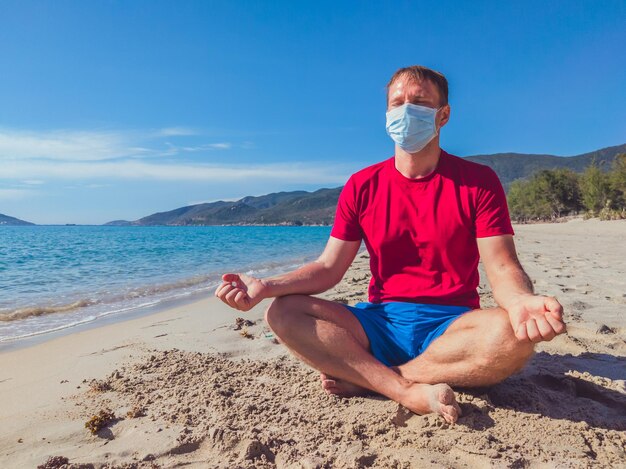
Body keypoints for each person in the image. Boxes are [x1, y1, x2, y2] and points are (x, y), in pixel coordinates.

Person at [215, 65, 566, 424]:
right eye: (397, 103)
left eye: (419, 102)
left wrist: (521, 301)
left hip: (453, 326)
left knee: (513, 334)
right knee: (282, 312)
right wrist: (267, 287)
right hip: (378, 321)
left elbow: (503, 265)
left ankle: (378, 378)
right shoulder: (362, 185)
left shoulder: (478, 182)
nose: (405, 111)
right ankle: (404, 389)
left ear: (442, 115)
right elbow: (327, 268)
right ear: (386, 114)